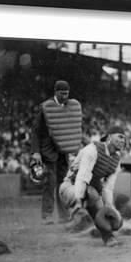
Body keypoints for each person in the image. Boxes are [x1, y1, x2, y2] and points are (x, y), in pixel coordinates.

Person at [59, 126, 127, 247]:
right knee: (91, 193)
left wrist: (109, 207)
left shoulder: (116, 160)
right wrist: (79, 201)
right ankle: (79, 217)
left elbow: (108, 188)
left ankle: (106, 236)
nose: (123, 141)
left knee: (105, 210)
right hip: (70, 187)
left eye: (125, 139)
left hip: (91, 191)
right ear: (109, 137)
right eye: (120, 137)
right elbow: (82, 177)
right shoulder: (93, 150)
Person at [31, 80, 82, 225]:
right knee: (50, 183)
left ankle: (64, 216)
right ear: (56, 92)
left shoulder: (69, 107)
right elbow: (35, 130)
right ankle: (46, 215)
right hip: (47, 151)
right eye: (62, 93)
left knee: (63, 185)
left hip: (62, 153)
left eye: (67, 93)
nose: (65, 96)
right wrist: (35, 152)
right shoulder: (45, 108)